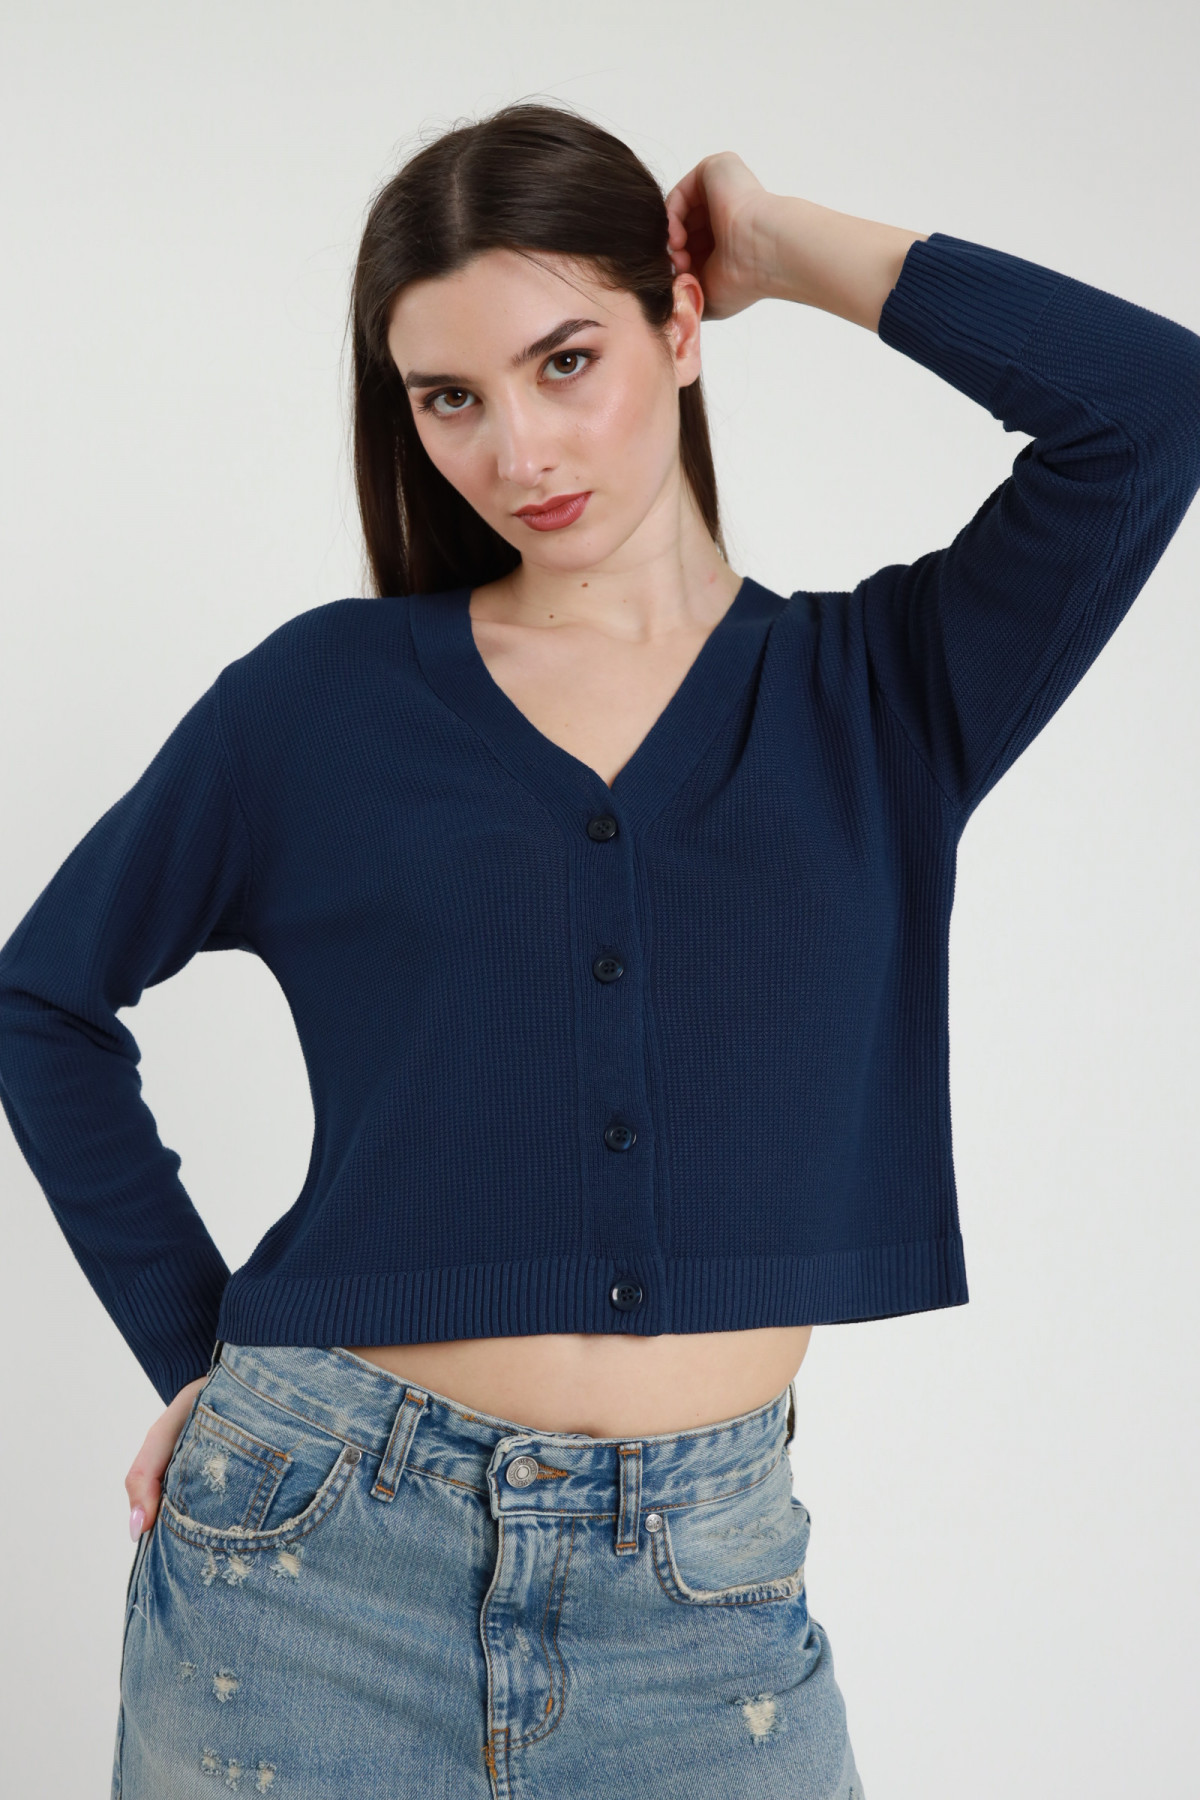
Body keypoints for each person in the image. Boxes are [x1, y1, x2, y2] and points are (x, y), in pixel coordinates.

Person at [1, 101, 1197, 1800]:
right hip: (310, 1567)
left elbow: (1152, 408)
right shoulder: (322, 702)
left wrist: (784, 246)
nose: (517, 451)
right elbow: (42, 995)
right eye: (450, 398)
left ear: (678, 325)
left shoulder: (878, 698)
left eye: (567, 362)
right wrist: (194, 1351)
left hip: (710, 1604)